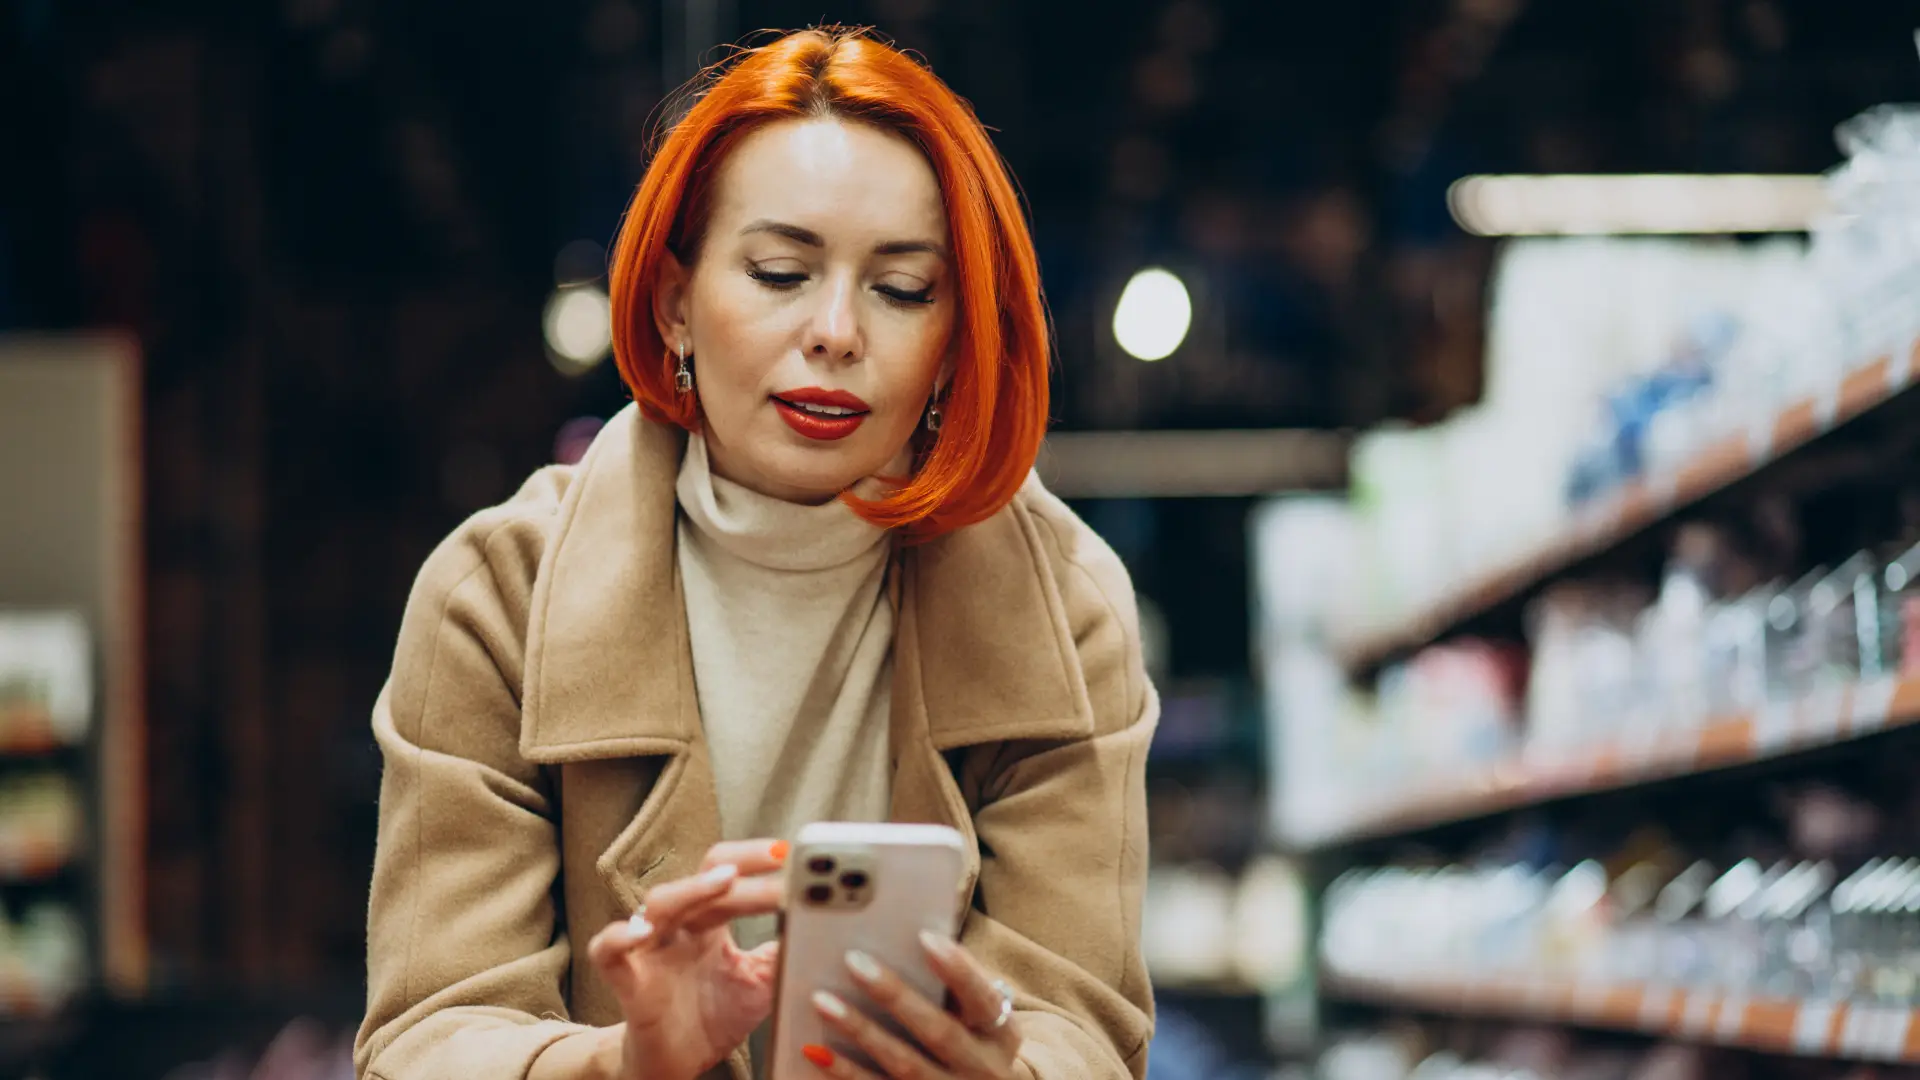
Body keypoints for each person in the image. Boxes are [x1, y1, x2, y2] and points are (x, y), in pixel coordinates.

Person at [353, 27, 1156, 1080]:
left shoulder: (1065, 606)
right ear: (675, 302)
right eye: (782, 271)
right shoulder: (499, 595)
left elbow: (1082, 1021)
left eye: (903, 289)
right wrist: (629, 1065)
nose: (834, 329)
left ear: (958, 340)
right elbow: (428, 1035)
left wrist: (1000, 1069)